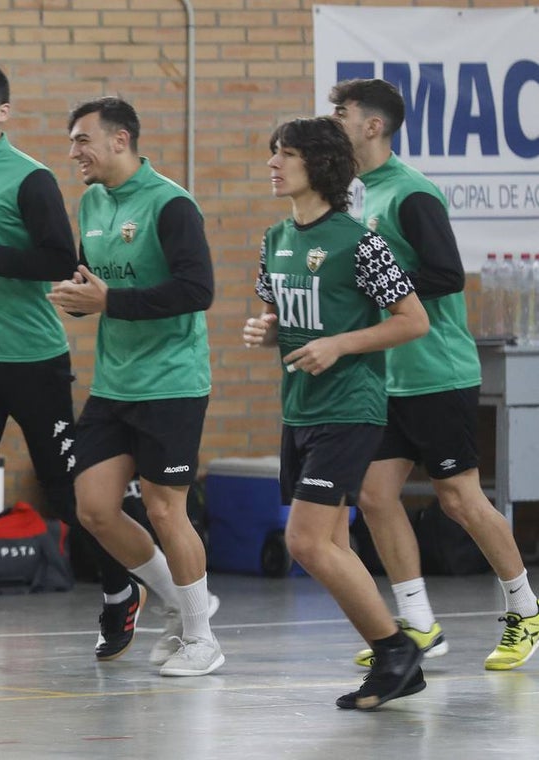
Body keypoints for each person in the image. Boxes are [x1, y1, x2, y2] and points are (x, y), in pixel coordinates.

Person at [0, 62, 189, 661]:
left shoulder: (30, 178)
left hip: (34, 360)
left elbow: (60, 259)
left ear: (2, 112)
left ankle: (120, 588)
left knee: (68, 495)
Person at [330, 78, 539, 671]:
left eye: (342, 113)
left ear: (373, 126)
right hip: (387, 375)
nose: (335, 121)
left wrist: (373, 287)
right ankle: (419, 624)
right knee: (375, 496)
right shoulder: (357, 195)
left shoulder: (411, 193)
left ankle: (525, 609)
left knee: (458, 498)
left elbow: (446, 274)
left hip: (436, 371)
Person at [243, 115, 431, 709]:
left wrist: (341, 345)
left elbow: (413, 321)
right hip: (299, 409)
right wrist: (267, 330)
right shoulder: (274, 238)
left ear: (319, 165)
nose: (273, 163)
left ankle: (396, 650)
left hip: (351, 407)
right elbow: (282, 315)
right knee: (329, 544)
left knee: (305, 542)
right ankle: (396, 661)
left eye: (286, 154)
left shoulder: (360, 242)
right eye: (273, 152)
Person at [47, 96, 221, 677]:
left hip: (171, 382)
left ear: (120, 140)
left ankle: (201, 639)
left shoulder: (171, 204)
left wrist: (111, 300)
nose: (74, 152)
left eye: (82, 140)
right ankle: (179, 601)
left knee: (166, 509)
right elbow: (93, 282)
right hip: (115, 383)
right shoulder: (92, 202)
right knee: (94, 508)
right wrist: (78, 299)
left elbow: (197, 290)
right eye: (72, 142)